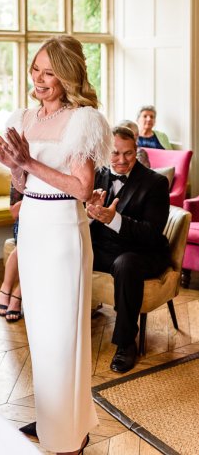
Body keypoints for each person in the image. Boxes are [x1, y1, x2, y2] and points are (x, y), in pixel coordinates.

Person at [0, 35, 112, 455]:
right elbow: (23, 183)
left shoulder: (83, 120)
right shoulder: (24, 117)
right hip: (33, 227)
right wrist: (14, 169)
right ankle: (54, 419)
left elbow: (81, 187)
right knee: (39, 335)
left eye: (50, 72)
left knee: (62, 336)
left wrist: (28, 162)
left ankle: (69, 435)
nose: (40, 79)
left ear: (68, 74)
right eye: (36, 70)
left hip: (63, 232)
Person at [87, 126, 171, 373]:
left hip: (142, 252)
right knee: (71, 251)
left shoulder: (155, 182)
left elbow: (151, 233)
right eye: (115, 153)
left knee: (126, 264)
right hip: (104, 249)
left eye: (129, 154)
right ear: (105, 153)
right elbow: (82, 220)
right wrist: (90, 214)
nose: (122, 160)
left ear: (137, 151)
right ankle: (68, 325)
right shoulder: (94, 175)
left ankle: (125, 344)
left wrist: (114, 219)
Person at [0, 184, 23, 323]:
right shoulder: (21, 170)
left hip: (54, 221)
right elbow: (14, 212)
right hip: (26, 220)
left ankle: (17, 294)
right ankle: (5, 288)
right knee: (24, 247)